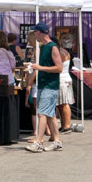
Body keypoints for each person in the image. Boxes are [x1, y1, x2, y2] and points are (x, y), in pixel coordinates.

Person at [25, 22, 64, 153]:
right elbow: (42, 66)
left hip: (50, 85)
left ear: (39, 32)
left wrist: (40, 67)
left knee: (42, 113)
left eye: (35, 32)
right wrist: (33, 67)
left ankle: (38, 141)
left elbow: (59, 68)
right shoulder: (42, 47)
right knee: (50, 114)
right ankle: (57, 141)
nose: (33, 34)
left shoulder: (53, 47)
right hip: (43, 84)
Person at [57, 47, 74, 133]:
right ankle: (64, 124)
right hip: (64, 78)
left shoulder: (60, 52)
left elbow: (57, 66)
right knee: (61, 104)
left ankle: (67, 125)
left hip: (63, 79)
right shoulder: (65, 51)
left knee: (64, 103)